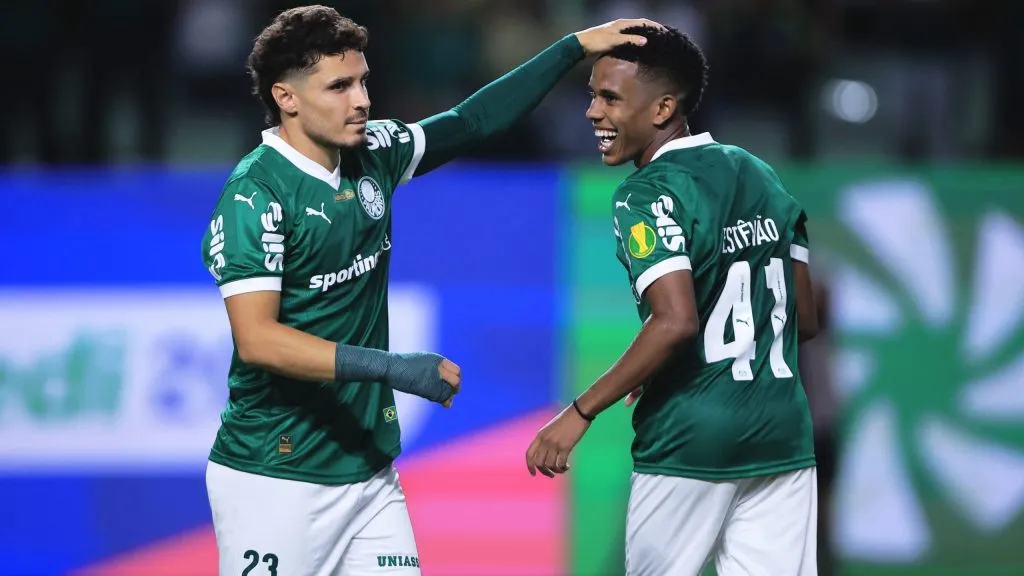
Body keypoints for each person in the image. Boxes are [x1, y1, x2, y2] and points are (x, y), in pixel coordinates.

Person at [200, 5, 658, 576]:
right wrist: (392, 368)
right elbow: (258, 341)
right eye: (339, 87)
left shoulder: (374, 151)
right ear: (286, 97)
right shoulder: (256, 196)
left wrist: (572, 48)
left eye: (363, 81)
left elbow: (473, 121)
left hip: (368, 473)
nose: (362, 100)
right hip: (274, 477)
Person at [525, 25, 821, 576]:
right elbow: (803, 317)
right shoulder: (759, 173)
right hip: (781, 434)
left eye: (610, 98)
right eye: (592, 95)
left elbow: (675, 321)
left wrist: (580, 411)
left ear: (663, 108)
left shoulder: (647, 193)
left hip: (691, 439)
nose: (593, 112)